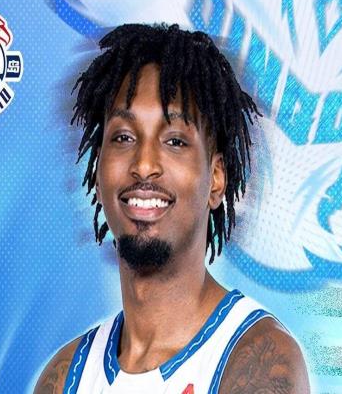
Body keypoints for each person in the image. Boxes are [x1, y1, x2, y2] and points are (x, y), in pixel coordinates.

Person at [35, 23, 310, 393]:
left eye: (175, 141)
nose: (144, 164)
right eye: (123, 137)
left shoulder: (257, 358)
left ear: (216, 179)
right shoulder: (66, 375)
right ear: (98, 172)